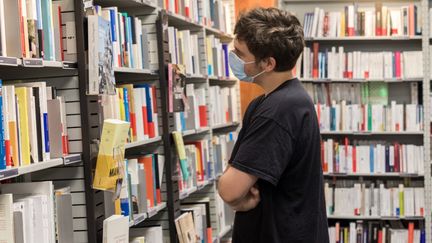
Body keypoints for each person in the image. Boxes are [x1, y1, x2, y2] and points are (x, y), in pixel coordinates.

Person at [217, 7, 329, 243]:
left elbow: (229, 188)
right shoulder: (271, 102)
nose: (233, 57)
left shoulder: (279, 111)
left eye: (240, 53)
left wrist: (238, 197)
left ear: (268, 63)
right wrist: (239, 195)